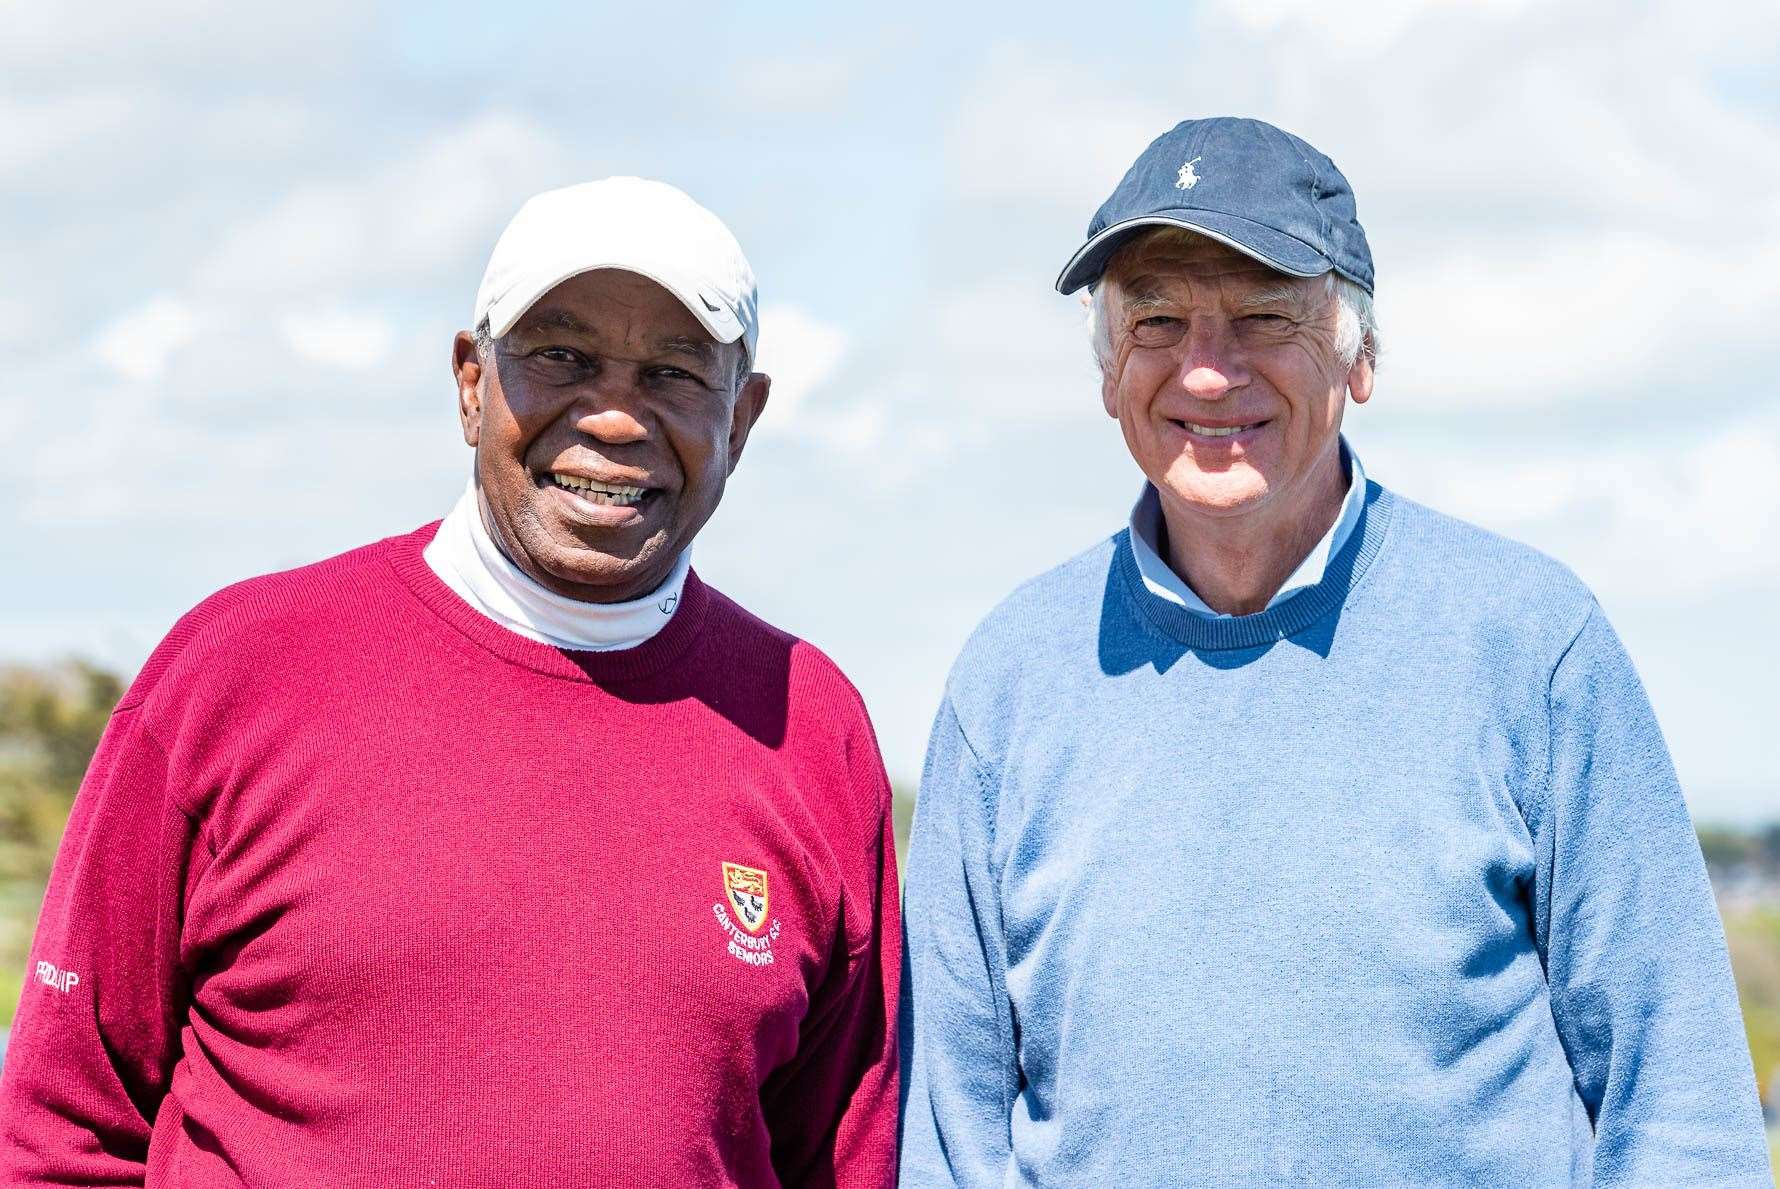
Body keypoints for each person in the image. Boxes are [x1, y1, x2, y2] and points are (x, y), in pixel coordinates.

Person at [898, 118, 1769, 1186]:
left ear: (1360, 361)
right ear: (1106, 371)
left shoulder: (1532, 645)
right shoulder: (1008, 680)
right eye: (1157, 319)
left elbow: (1682, 1113)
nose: (1207, 373)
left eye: (1264, 316)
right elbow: (949, 1136)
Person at [1, 177, 900, 1186]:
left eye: (672, 372)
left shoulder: (810, 723)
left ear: (743, 417)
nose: (612, 415)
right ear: (472, 383)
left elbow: (840, 1158)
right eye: (561, 356)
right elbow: (64, 1130)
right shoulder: (236, 670)